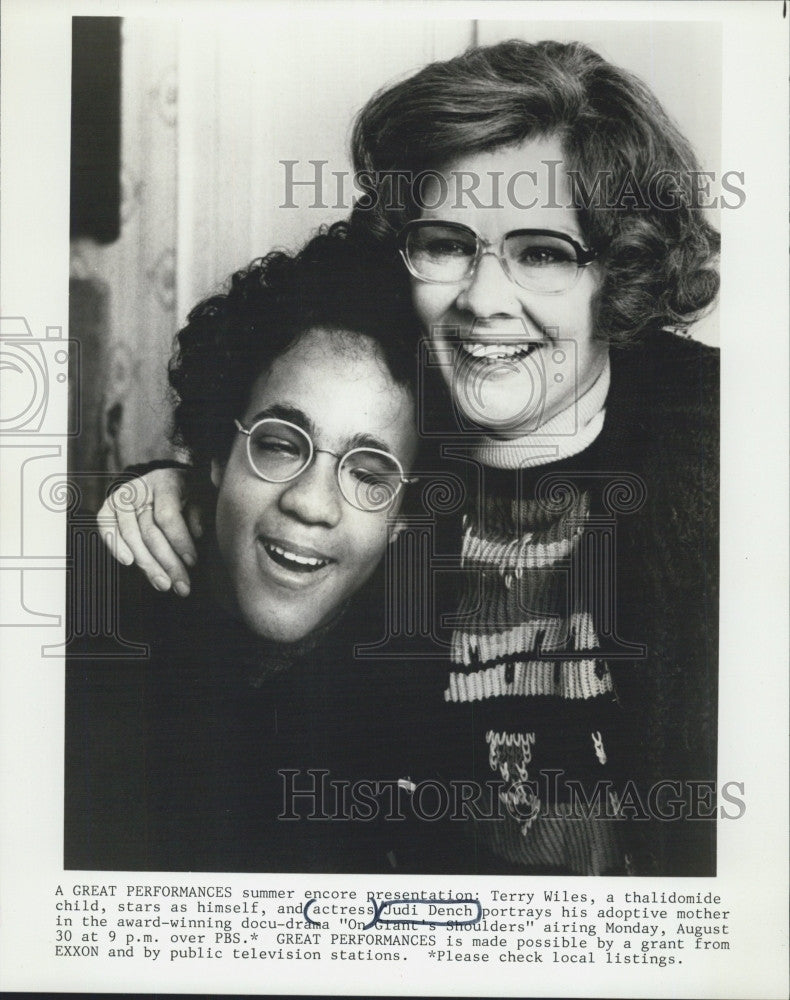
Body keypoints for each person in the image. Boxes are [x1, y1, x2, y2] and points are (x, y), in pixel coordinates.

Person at [97, 40, 719, 875]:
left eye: (541, 253)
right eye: (447, 243)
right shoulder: (404, 452)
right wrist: (177, 488)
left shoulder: (724, 454)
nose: (484, 301)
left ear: (620, 272)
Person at [65, 225, 454, 873]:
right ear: (216, 453)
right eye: (278, 443)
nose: (311, 502)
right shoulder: (91, 627)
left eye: (367, 473)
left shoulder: (427, 680)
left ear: (404, 518)